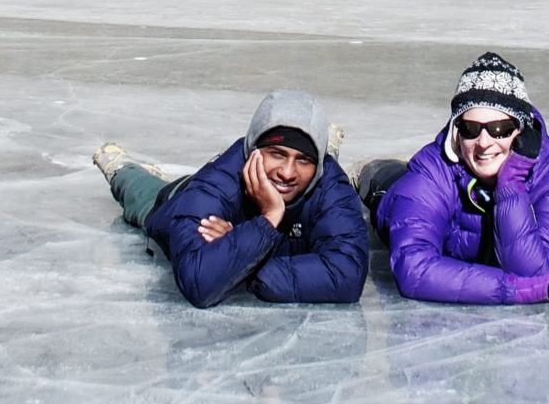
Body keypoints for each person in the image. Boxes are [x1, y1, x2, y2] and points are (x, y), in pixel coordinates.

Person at [94, 89, 369, 309]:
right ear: (254, 150)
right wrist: (270, 216)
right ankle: (122, 168)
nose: (287, 172)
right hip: (176, 200)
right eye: (276, 153)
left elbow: (346, 276)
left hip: (264, 218)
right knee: (140, 193)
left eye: (304, 159)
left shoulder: (330, 182)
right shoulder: (218, 183)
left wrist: (238, 253)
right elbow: (200, 282)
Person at [353, 53, 549, 307]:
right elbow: (414, 270)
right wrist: (516, 291)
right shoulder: (432, 169)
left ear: (522, 130)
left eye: (499, 129)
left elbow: (536, 275)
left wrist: (511, 185)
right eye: (470, 129)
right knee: (384, 183)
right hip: (392, 190)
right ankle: (371, 168)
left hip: (466, 184)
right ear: (456, 131)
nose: (484, 142)